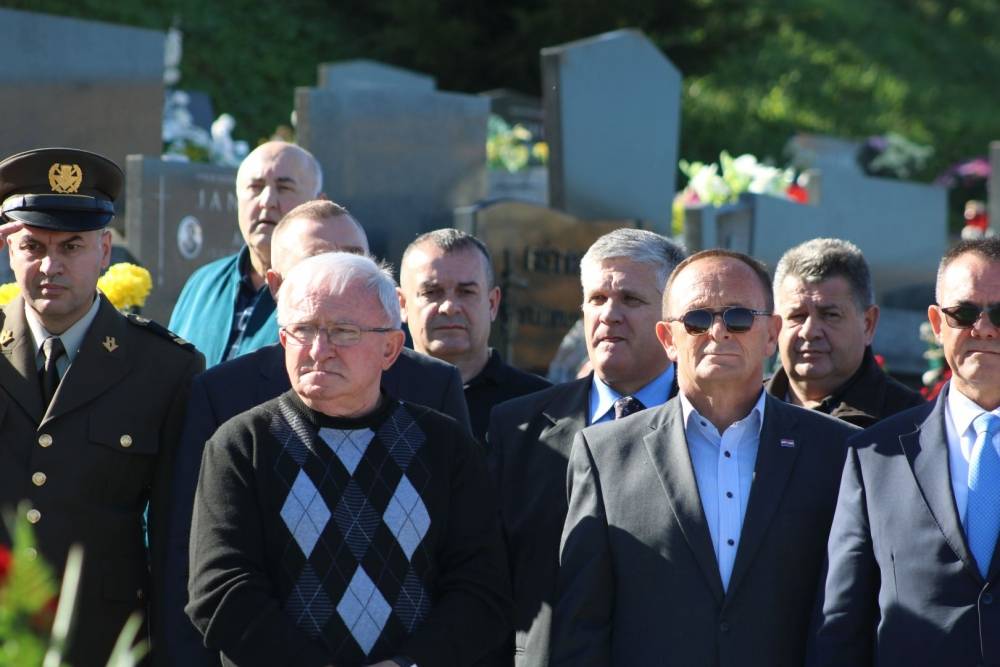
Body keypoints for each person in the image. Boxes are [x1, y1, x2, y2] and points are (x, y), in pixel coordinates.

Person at [164, 200, 471, 666]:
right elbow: (216, 586)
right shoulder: (238, 439)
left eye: (343, 331)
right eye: (304, 330)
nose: (320, 349)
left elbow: (477, 583)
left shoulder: (442, 435)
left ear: (390, 347)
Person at [553, 249, 858, 667]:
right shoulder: (605, 454)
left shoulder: (838, 451)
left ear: (771, 333)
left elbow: (850, 616)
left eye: (739, 317)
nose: (718, 332)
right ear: (668, 339)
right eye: (697, 319)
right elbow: (581, 626)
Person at [0, 148, 204, 665]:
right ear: (9, 249)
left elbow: (178, 534)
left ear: (105, 249)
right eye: (32, 246)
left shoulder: (164, 367)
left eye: (71, 246)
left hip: (105, 639)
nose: (50, 266)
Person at [486, 228, 684, 667]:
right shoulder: (517, 427)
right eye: (596, 299)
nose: (609, 315)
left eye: (630, 299)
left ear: (671, 319)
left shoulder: (708, 425)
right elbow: (488, 576)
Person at [808, 237, 1000, 666]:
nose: (984, 328)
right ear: (937, 323)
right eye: (964, 312)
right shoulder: (873, 457)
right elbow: (841, 625)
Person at [168, 141, 323, 366]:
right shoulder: (202, 284)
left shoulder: (328, 292)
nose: (267, 201)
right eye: (256, 187)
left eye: (284, 188)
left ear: (318, 204)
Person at [399, 228, 550, 444]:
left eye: (466, 292)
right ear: (402, 304)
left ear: (492, 303)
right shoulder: (373, 397)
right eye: (431, 292)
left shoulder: (543, 406)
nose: (449, 307)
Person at [768, 238, 923, 427]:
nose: (809, 332)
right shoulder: (744, 409)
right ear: (774, 326)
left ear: (868, 324)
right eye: (797, 316)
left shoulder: (911, 423)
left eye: (830, 315)